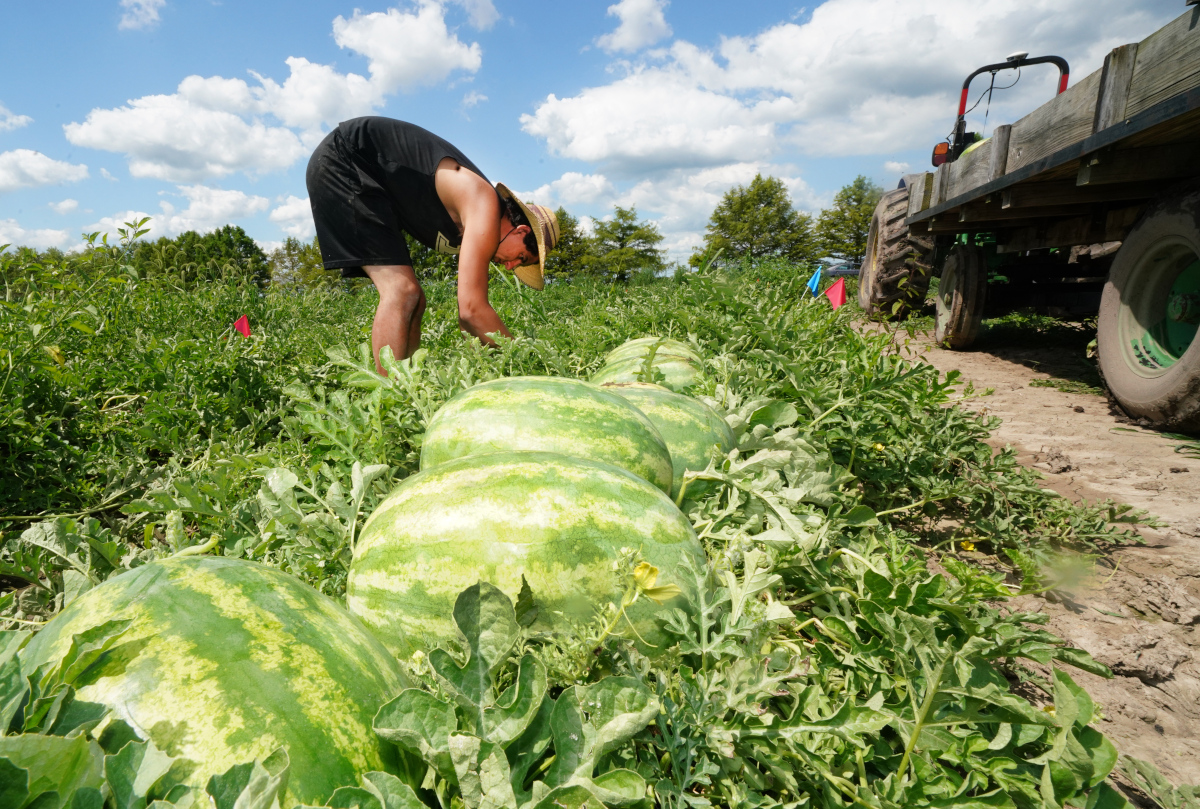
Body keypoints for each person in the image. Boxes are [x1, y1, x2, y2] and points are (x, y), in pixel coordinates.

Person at [306, 117, 559, 373]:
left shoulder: (477, 222)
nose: (510, 266)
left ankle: (409, 385)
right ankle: (387, 398)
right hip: (347, 159)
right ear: (522, 230)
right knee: (401, 291)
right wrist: (525, 367)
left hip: (369, 182)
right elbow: (471, 310)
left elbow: (469, 323)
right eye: (522, 258)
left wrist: (478, 369)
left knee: (415, 300)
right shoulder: (485, 207)